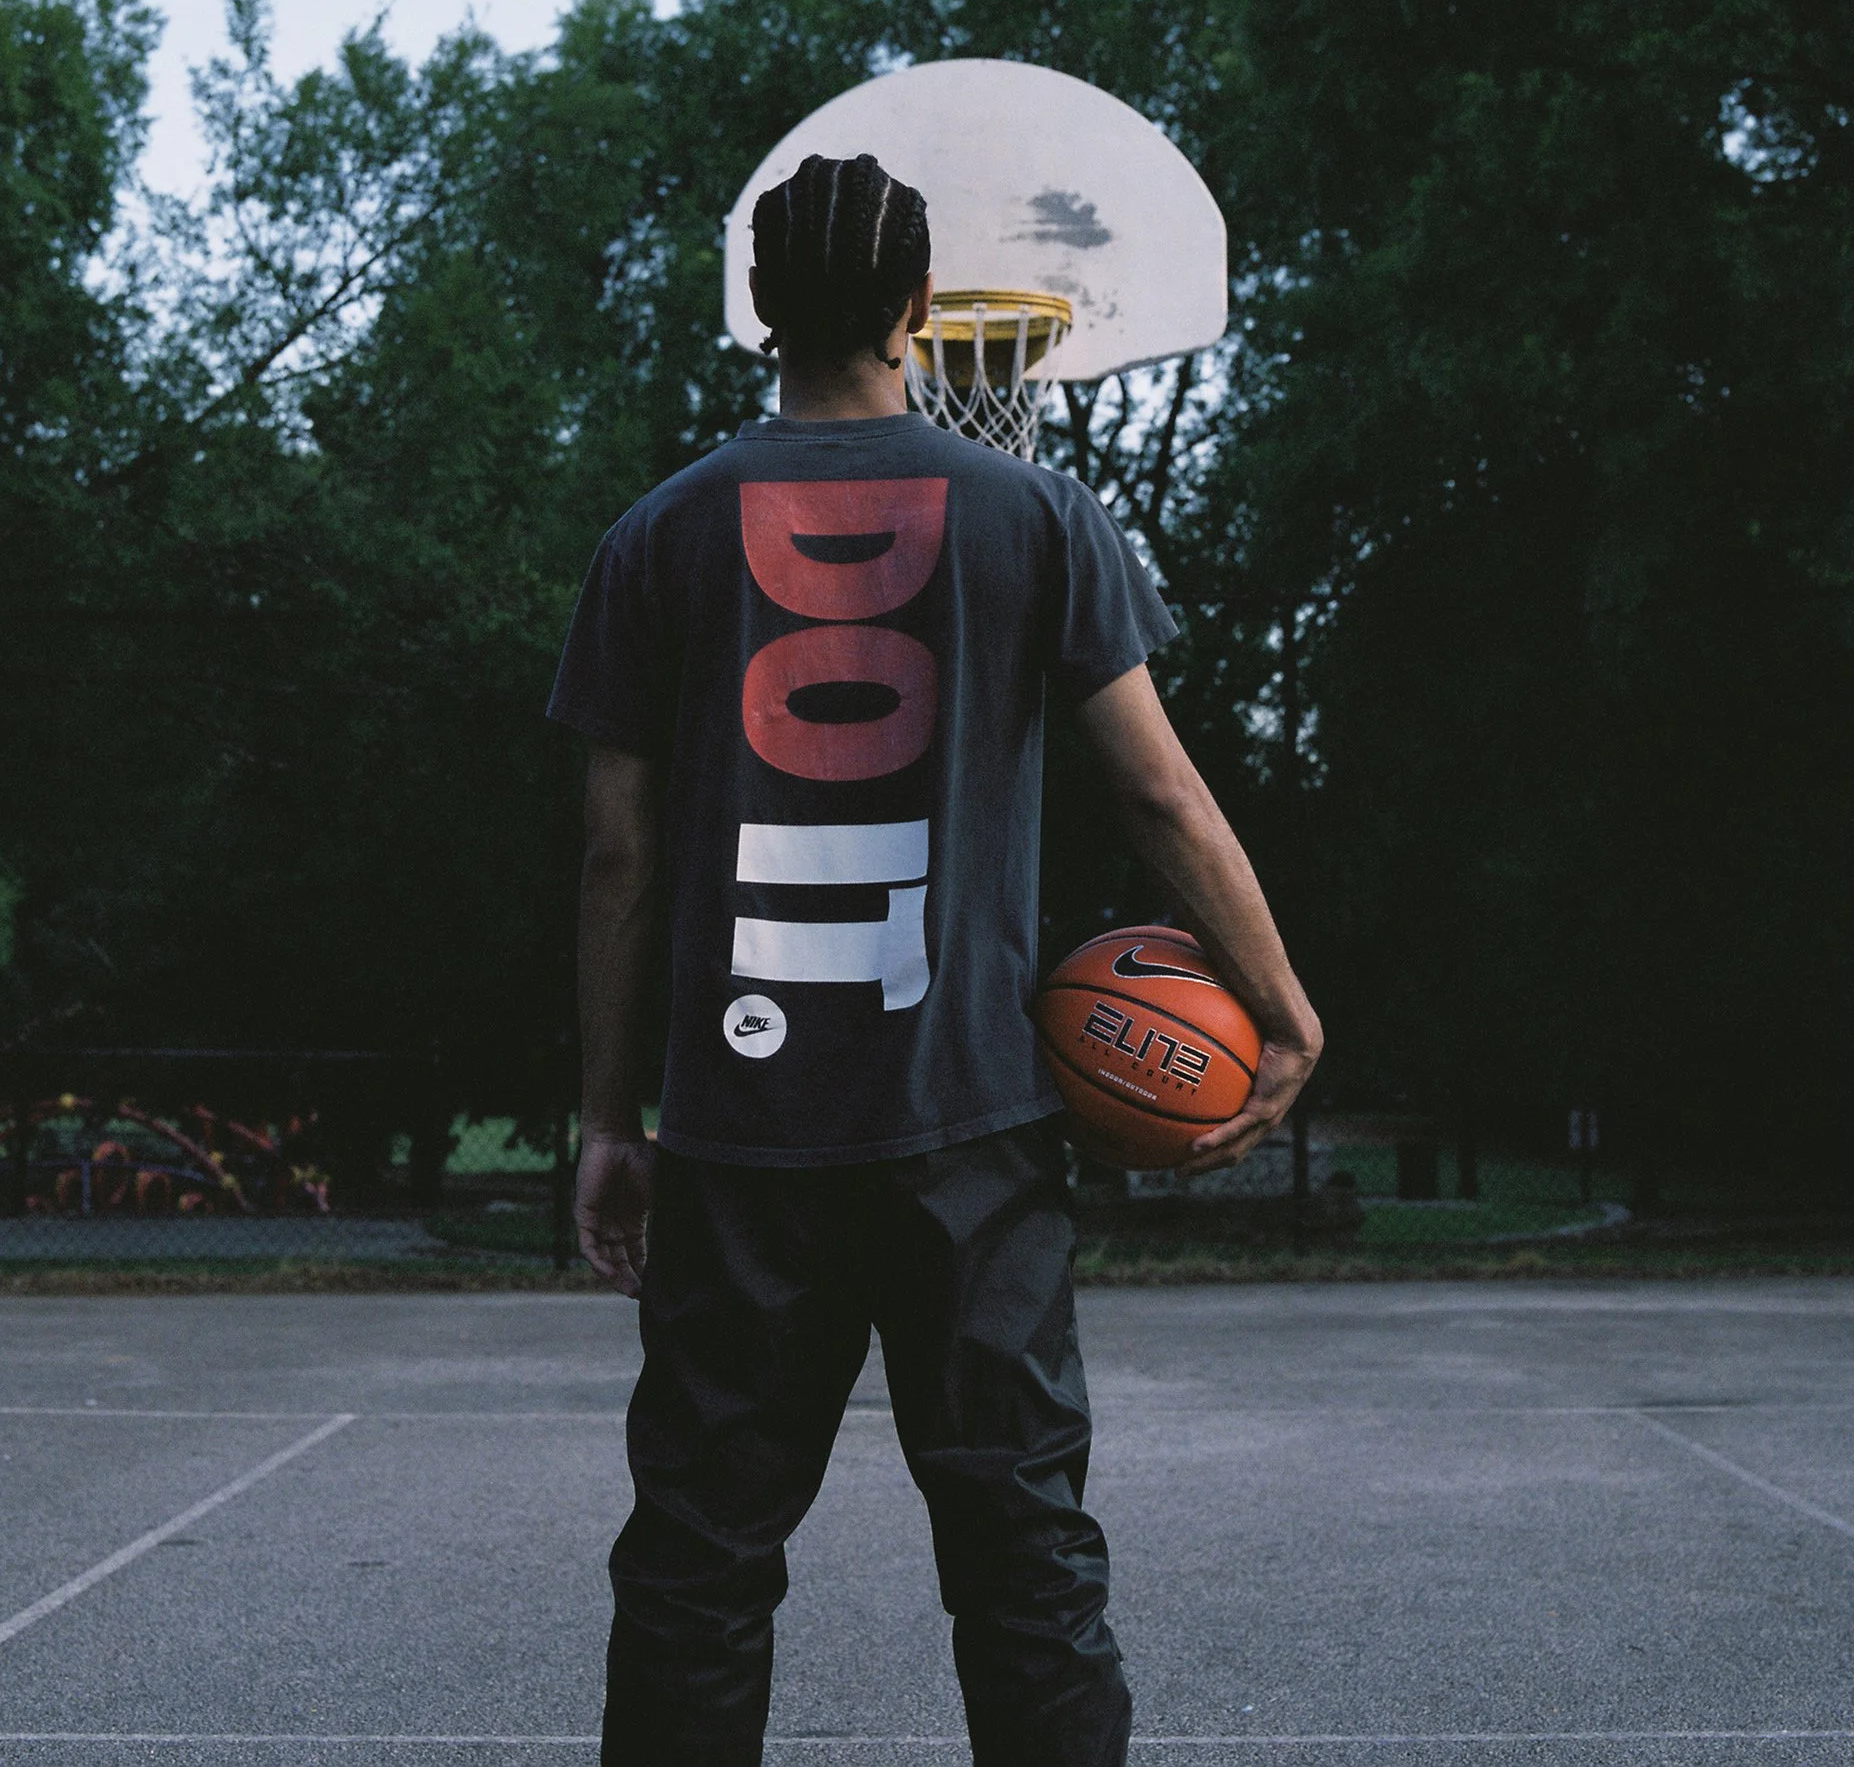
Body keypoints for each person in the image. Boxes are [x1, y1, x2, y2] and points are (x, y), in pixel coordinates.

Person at [547, 149, 1321, 1767]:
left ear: (758, 307)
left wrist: (613, 1121)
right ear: (920, 309)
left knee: (698, 1568)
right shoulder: (1034, 513)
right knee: (1025, 1568)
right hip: (967, 1138)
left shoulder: (655, 536)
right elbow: (1160, 793)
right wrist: (1282, 1005)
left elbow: (621, 860)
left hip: (745, 1145)